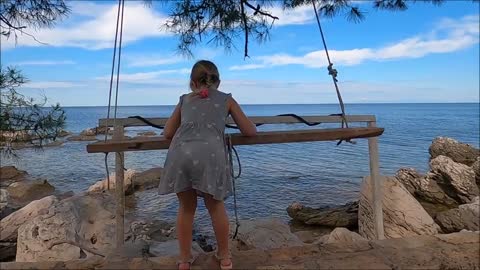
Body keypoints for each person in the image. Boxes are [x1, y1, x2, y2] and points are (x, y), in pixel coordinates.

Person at [158, 60, 257, 270]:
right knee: (216, 207)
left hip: (181, 153)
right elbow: (250, 131)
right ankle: (225, 257)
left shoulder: (184, 100)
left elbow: (167, 133)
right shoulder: (226, 100)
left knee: (186, 208)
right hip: (210, 155)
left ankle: (184, 259)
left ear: (192, 83)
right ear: (218, 82)